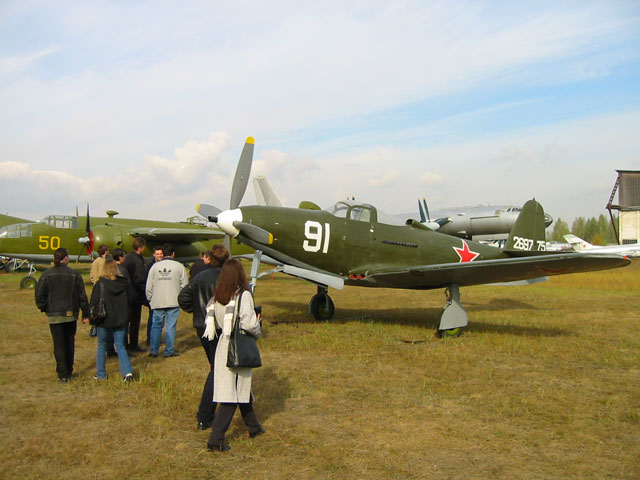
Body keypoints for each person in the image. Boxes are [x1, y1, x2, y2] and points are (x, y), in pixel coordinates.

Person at [206, 259, 264, 452]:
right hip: (238, 346)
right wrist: (257, 324)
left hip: (224, 344)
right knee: (231, 394)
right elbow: (248, 323)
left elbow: (218, 322)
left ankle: (254, 427)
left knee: (241, 389)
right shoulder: (243, 295)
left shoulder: (218, 296)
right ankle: (216, 439)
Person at [178, 245, 229, 430]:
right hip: (220, 327)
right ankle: (205, 415)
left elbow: (183, 297)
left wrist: (198, 312)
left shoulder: (200, 277)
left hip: (202, 327)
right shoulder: (228, 278)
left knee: (217, 367)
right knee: (217, 369)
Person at [34, 247, 89, 383]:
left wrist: (45, 308)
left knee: (58, 344)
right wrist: (85, 313)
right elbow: (82, 296)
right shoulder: (74, 274)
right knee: (69, 342)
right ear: (66, 258)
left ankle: (62, 374)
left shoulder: (47, 274)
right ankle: (69, 370)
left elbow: (39, 294)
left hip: (54, 315)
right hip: (70, 314)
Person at [90, 260, 134, 382]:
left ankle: (101, 374)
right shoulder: (124, 283)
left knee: (102, 346)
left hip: (104, 320)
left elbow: (93, 303)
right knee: (121, 346)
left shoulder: (100, 284)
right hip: (121, 319)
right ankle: (127, 372)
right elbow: (131, 299)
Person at [146, 243, 188, 358]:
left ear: (163, 254)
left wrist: (150, 298)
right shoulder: (179, 266)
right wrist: (180, 297)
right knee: (170, 326)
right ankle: (169, 350)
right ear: (173, 254)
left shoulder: (155, 267)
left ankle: (153, 350)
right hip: (173, 300)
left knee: (156, 326)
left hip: (158, 300)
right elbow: (184, 285)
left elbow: (149, 285)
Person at [122, 237, 147, 353]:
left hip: (125, 293)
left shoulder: (127, 258)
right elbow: (140, 279)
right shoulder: (138, 261)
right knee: (134, 322)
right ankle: (133, 344)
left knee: (125, 321)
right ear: (140, 248)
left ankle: (124, 344)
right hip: (135, 295)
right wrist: (145, 292)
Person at [144, 245, 164, 345]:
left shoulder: (164, 263)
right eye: (157, 254)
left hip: (162, 294)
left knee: (160, 318)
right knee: (153, 317)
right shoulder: (149, 264)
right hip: (153, 294)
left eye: (161, 254)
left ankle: (156, 337)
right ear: (154, 255)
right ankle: (150, 338)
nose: (159, 255)